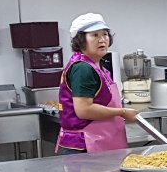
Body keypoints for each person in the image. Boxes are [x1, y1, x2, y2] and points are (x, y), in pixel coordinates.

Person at [55, 13, 137, 154]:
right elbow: (84, 110)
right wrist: (122, 112)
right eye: (94, 35)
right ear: (81, 40)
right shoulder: (82, 68)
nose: (102, 40)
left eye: (105, 34)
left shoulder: (99, 67)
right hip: (84, 146)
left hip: (103, 143)